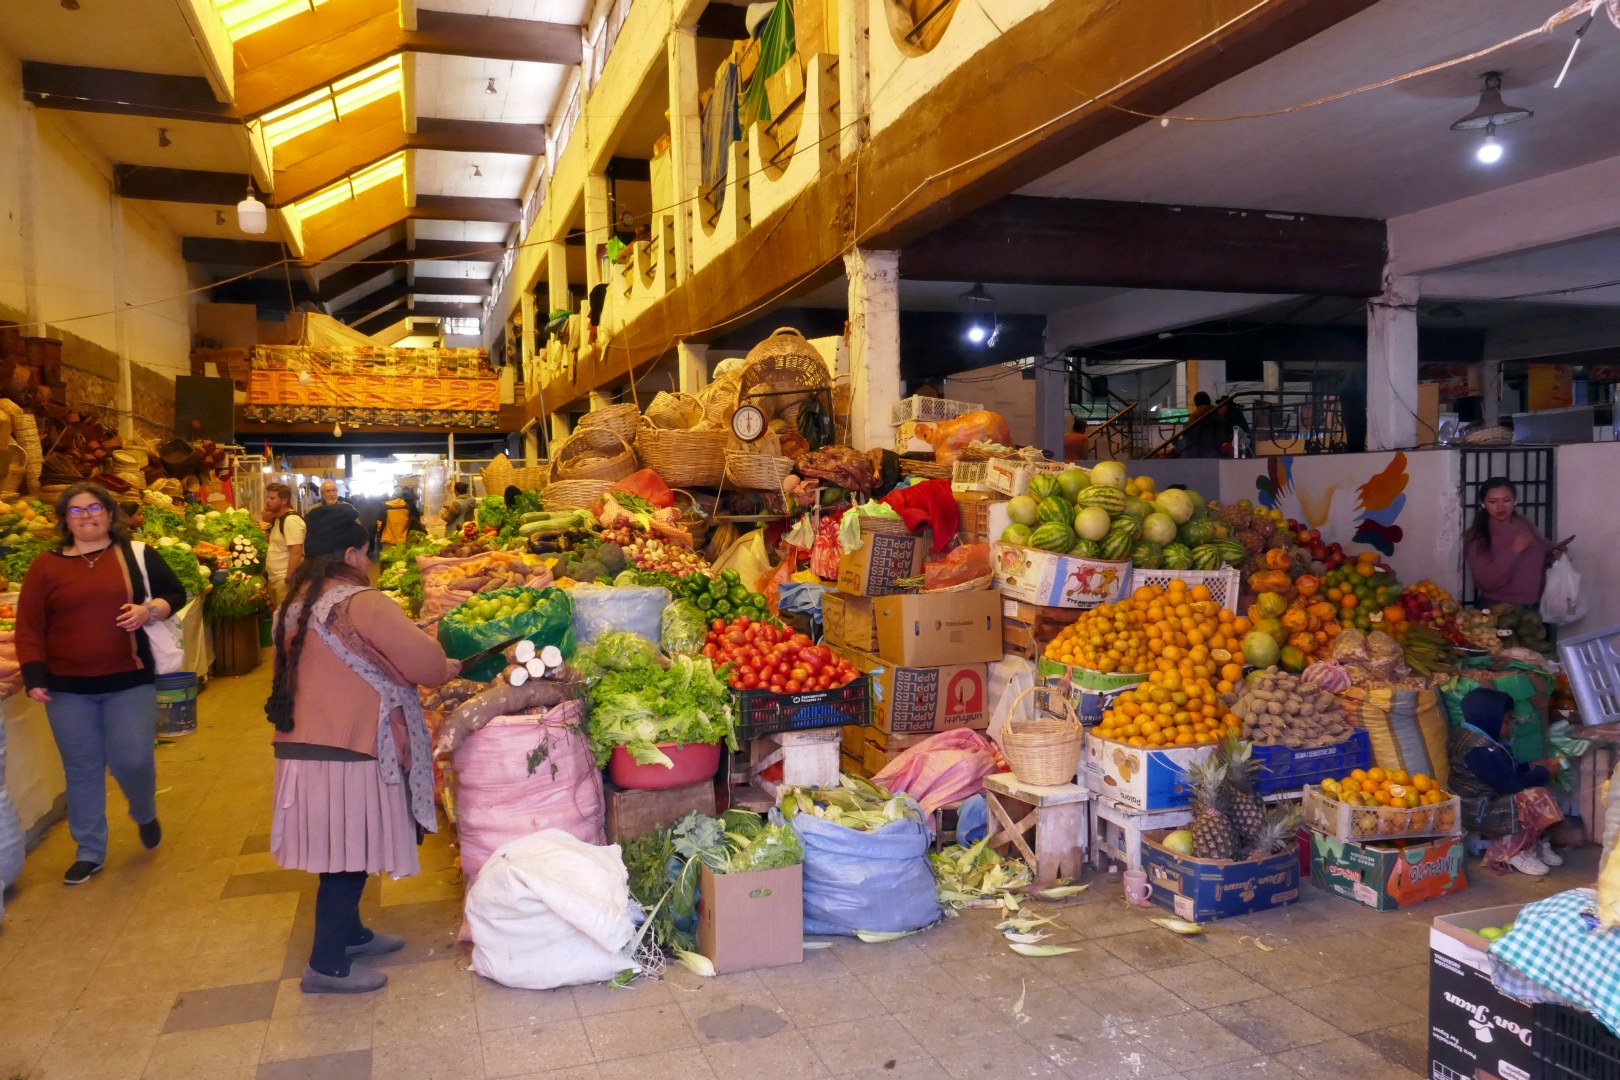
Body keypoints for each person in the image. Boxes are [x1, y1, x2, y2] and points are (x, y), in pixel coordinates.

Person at [265, 503, 459, 993]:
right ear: (352, 553)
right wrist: (446, 666)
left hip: (303, 749)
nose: (369, 563)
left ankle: (349, 933)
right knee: (345, 859)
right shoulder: (364, 603)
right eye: (367, 554)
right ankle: (325, 966)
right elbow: (427, 664)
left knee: (342, 849)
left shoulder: (290, 606)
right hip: (351, 747)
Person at [16, 482, 187, 885]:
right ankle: (89, 850)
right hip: (66, 688)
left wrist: (149, 610)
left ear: (110, 515)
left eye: (95, 508)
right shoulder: (46, 566)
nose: (87, 515)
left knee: (134, 759)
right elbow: (29, 627)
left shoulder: (136, 555)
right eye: (76, 511)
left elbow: (174, 593)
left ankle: (143, 811)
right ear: (64, 520)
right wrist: (34, 674)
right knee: (82, 768)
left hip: (129, 679)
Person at [1448, 687, 1565, 876]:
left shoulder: (1480, 738)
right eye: (1506, 721)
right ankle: (1515, 851)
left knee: (1536, 790)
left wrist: (1530, 766)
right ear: (1490, 719)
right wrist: (1544, 772)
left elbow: (1503, 772)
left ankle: (1537, 844)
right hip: (1477, 809)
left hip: (1486, 799)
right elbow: (1510, 783)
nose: (1510, 726)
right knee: (1535, 797)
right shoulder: (1479, 751)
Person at [1463, 477, 1564, 607]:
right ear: (1483, 503)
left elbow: (1543, 547)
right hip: (1497, 607)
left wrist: (1556, 552)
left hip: (1535, 604)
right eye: (1493, 501)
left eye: (1506, 500)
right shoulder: (1478, 535)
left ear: (1515, 501)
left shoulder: (1523, 522)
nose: (1500, 507)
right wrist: (1514, 550)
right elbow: (1486, 580)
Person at [263, 482, 305, 607]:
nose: (267, 501)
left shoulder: (291, 520)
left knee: (286, 620)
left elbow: (296, 551)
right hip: (276, 579)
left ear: (284, 500)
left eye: (272, 498)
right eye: (267, 497)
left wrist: (289, 579)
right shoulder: (279, 519)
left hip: (284, 581)